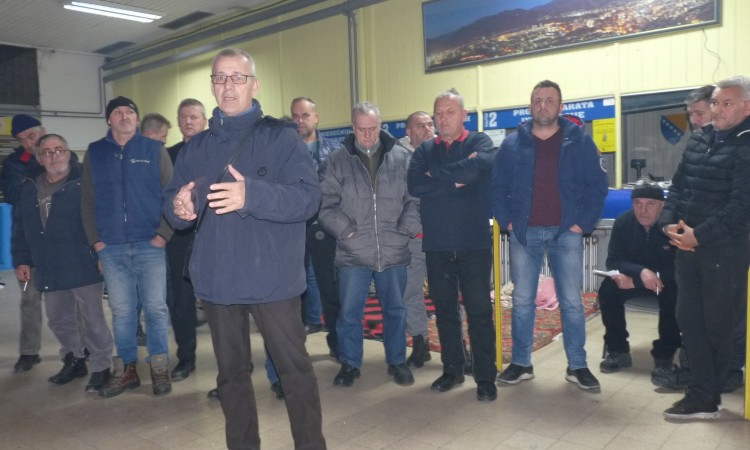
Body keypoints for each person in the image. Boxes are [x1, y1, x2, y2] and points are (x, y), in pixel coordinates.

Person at [163, 48, 325, 449]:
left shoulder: (282, 138)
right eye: (220, 77)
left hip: (273, 279)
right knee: (231, 378)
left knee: (294, 372)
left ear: (255, 84)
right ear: (212, 86)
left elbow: (308, 200)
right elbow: (174, 206)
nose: (228, 85)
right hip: (218, 280)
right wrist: (179, 208)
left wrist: (251, 194)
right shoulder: (196, 147)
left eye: (238, 77)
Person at [492, 80, 608, 392]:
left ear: (560, 106)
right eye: (537, 100)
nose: (542, 105)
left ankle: (577, 366)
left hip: (566, 232)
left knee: (571, 301)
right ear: (530, 106)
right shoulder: (512, 144)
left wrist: (582, 224)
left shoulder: (579, 141)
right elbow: (497, 186)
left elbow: (598, 186)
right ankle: (521, 364)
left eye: (549, 100)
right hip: (524, 233)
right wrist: (508, 221)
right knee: (522, 300)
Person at [659, 76, 750, 420]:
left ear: (747, 107)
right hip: (687, 248)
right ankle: (701, 391)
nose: (718, 109)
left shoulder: (746, 145)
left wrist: (699, 236)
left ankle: (707, 395)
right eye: (715, 103)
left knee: (717, 326)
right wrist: (668, 222)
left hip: (724, 253)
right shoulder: (700, 139)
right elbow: (679, 187)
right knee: (689, 319)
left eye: (727, 103)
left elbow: (742, 207)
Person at [318, 101, 419, 388]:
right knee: (349, 313)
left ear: (380, 126)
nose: (367, 135)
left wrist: (405, 229)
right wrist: (345, 231)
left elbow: (415, 199)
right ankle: (350, 363)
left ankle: (397, 362)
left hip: (393, 248)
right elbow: (325, 204)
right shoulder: (336, 161)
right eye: (361, 129)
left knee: (395, 310)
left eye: (372, 129)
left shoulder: (403, 158)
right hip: (353, 252)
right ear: (353, 127)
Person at [408, 89, 498, 402]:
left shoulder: (479, 142)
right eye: (439, 113)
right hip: (437, 246)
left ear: (463, 115)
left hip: (474, 245)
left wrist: (436, 177)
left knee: (479, 313)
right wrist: (456, 179)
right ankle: (453, 370)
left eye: (450, 112)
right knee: (445, 312)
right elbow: (415, 184)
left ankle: (485, 377)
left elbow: (479, 168)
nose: (443, 118)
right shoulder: (425, 150)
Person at [81, 96, 174, 398]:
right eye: (118, 112)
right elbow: (87, 201)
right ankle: (127, 370)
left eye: (130, 112)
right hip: (112, 247)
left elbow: (171, 194)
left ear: (137, 117)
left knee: (156, 309)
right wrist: (96, 241)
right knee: (122, 312)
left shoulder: (154, 150)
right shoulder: (95, 152)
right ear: (109, 119)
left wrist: (164, 233)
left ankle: (159, 366)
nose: (125, 116)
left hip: (150, 244)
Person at [11, 133, 114, 392]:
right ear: (39, 158)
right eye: (47, 152)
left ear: (68, 154)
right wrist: (22, 259)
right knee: (58, 318)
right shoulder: (29, 187)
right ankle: (75, 358)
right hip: (48, 264)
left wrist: (102, 254)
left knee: (93, 320)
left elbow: (102, 219)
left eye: (59, 149)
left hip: (83, 262)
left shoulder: (84, 183)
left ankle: (101, 366)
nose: (53, 155)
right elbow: (20, 226)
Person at [597, 182, 681, 383]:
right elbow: (614, 261)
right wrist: (641, 272)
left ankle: (664, 356)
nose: (643, 210)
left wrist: (640, 281)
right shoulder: (623, 222)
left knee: (675, 294)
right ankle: (618, 350)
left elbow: (680, 269)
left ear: (662, 205)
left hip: (667, 281)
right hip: (635, 278)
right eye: (638, 203)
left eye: (650, 204)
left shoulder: (674, 226)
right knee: (608, 290)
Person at [291, 97, 342, 341]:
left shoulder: (335, 151)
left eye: (305, 115)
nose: (300, 121)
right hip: (293, 229)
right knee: (294, 291)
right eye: (295, 116)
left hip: (326, 229)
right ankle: (294, 347)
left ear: (316, 117)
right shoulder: (284, 151)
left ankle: (337, 343)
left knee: (331, 289)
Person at [166, 99, 208, 382]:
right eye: (184, 117)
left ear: (204, 120)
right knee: (181, 300)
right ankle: (186, 359)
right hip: (179, 237)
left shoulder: (218, 151)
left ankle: (236, 362)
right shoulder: (168, 156)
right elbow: (161, 196)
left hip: (214, 235)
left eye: (194, 116)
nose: (189, 121)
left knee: (223, 302)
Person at [2, 114, 46, 373]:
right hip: (27, 245)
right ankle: (29, 352)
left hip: (63, 246)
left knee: (72, 301)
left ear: (43, 131)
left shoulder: (63, 154)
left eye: (31, 135)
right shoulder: (13, 164)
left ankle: (79, 350)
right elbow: (14, 194)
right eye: (22, 140)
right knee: (29, 299)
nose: (29, 143)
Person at [397, 111, 435, 368]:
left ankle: (459, 347)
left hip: (443, 235)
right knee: (410, 292)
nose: (427, 129)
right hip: (413, 237)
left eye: (430, 124)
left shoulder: (444, 153)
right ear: (409, 132)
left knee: (447, 294)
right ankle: (421, 343)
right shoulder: (396, 159)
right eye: (420, 126)